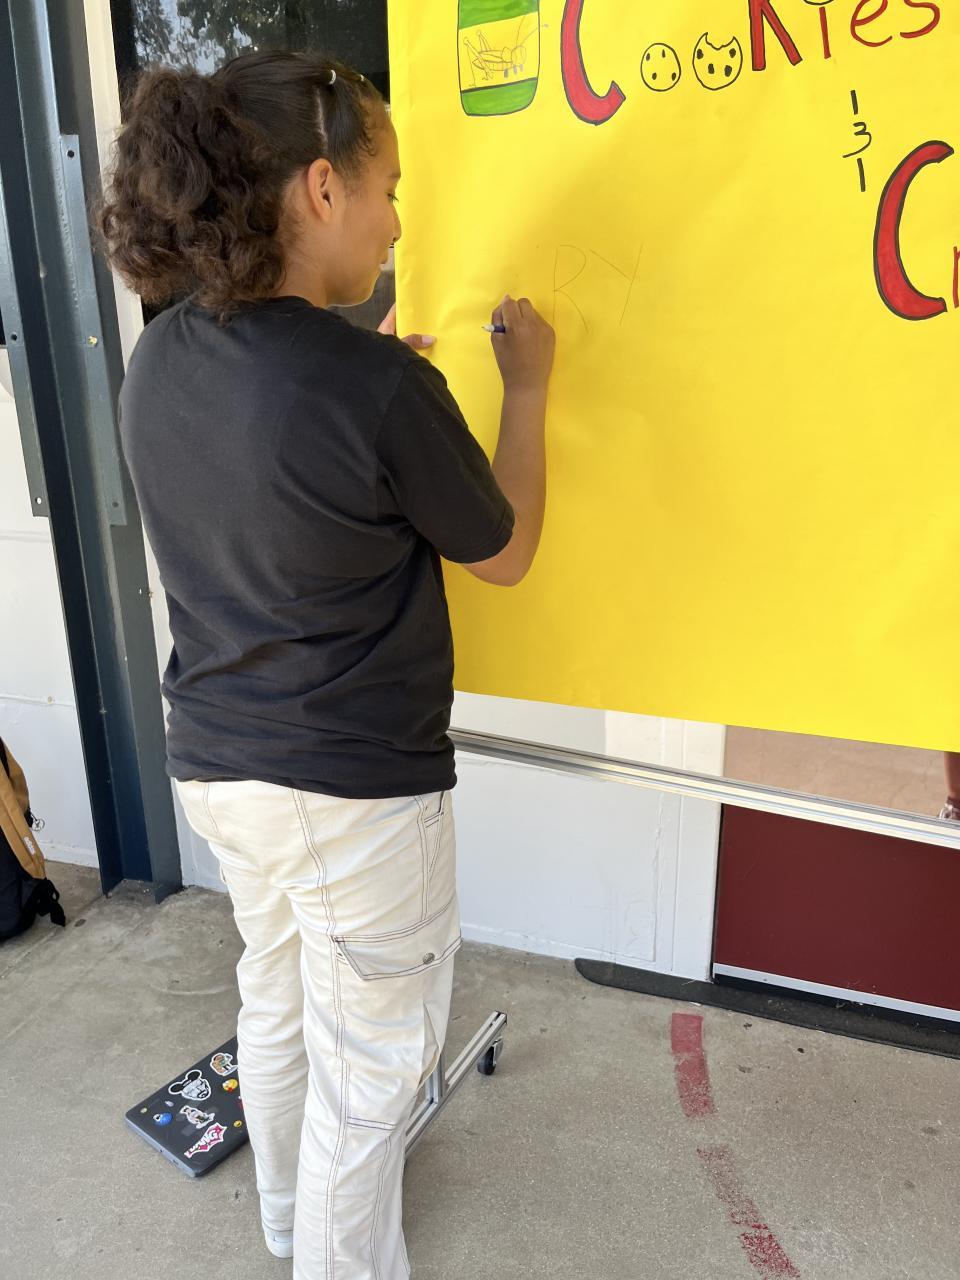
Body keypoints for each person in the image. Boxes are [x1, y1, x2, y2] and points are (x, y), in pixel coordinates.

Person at [98, 50, 555, 1280]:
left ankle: (286, 1225)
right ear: (319, 188)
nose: (398, 220)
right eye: (388, 189)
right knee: (374, 1068)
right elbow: (505, 549)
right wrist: (525, 389)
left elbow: (276, 474)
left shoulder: (159, 361)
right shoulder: (377, 385)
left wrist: (391, 392)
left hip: (219, 767)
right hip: (353, 791)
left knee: (279, 994)